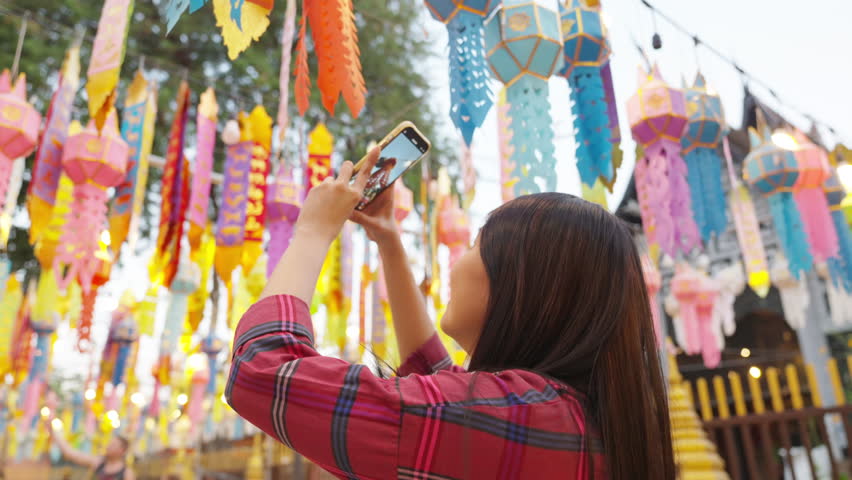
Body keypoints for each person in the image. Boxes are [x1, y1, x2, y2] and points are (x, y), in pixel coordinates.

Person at [226, 148, 675, 479]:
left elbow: (262, 371)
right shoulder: (568, 413)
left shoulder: (511, 416)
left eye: (479, 244)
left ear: (522, 287)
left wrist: (312, 230)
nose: (459, 261)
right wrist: (389, 242)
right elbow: (439, 378)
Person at [46, 420, 134, 480]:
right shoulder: (99, 462)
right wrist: (53, 433)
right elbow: (71, 453)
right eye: (110, 443)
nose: (109, 446)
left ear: (122, 450)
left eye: (113, 445)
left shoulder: (126, 473)